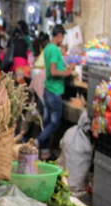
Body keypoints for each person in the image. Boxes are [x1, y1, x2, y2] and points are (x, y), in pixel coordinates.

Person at [37, 25, 71, 159]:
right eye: (62, 37)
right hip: (54, 91)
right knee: (55, 123)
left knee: (46, 122)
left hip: (47, 89)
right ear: (60, 35)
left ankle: (45, 153)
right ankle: (38, 141)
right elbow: (53, 71)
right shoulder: (55, 50)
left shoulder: (47, 48)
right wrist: (66, 73)